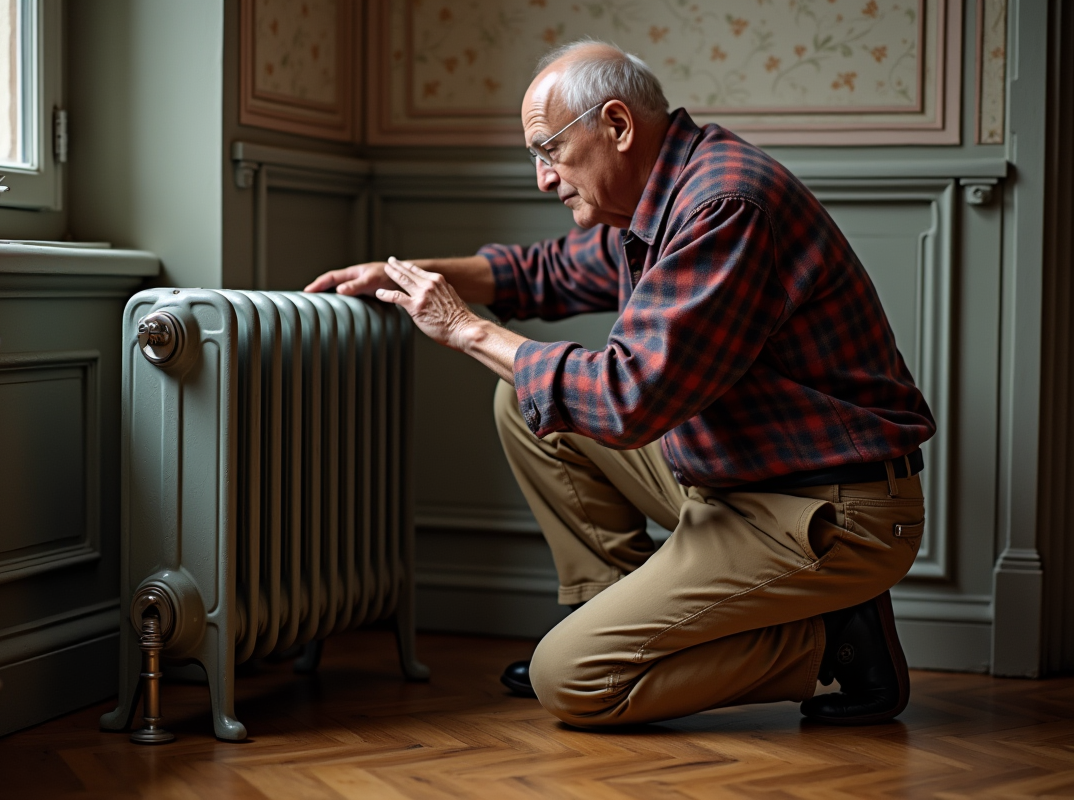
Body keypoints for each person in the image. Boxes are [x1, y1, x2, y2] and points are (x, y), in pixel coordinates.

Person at [306, 41, 935, 728]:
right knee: (525, 403)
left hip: (830, 512)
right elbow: (543, 272)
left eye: (549, 150)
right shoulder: (660, 193)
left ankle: (834, 645)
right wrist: (402, 273)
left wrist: (465, 329)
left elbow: (626, 399)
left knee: (571, 681)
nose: (543, 178)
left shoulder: (722, 206)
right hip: (741, 475)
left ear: (617, 126)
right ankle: (615, 614)